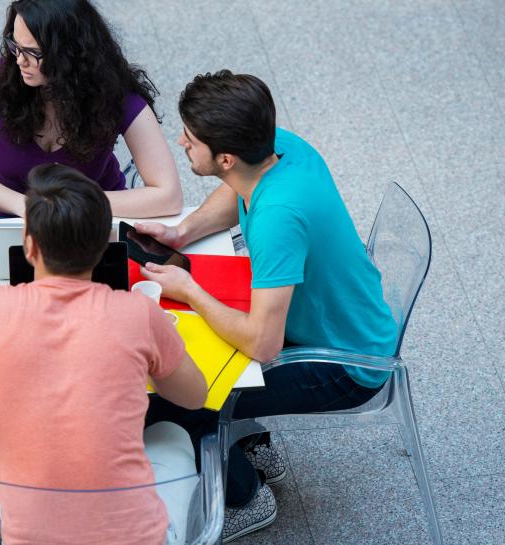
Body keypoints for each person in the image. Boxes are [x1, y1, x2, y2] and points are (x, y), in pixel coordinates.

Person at [138, 71, 400, 542]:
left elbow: (263, 343)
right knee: (202, 355)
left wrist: (191, 289)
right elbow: (238, 188)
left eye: (190, 139)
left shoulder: (278, 219)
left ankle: (248, 495)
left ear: (224, 156)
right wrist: (183, 232)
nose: (180, 142)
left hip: (345, 362)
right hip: (338, 316)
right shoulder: (278, 146)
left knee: (183, 396)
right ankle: (255, 443)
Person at [0, 164, 208, 544]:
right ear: (104, 246)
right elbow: (194, 396)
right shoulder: (139, 313)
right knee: (171, 431)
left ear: (29, 245)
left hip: (24, 536)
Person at [0, 0, 182, 219]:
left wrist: (69, 205)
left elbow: (169, 196)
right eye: (15, 45)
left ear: (70, 54)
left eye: (33, 52)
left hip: (94, 221)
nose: (20, 60)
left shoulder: (113, 93)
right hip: (15, 218)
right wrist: (26, 206)